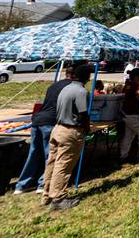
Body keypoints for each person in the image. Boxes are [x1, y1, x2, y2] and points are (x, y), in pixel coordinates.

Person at [14, 65, 74, 195]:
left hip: (38, 120)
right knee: (50, 154)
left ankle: (22, 185)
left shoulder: (53, 86)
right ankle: (42, 183)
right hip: (51, 122)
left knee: (34, 152)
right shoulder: (71, 88)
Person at [41, 64, 92, 210]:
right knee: (63, 165)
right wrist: (87, 127)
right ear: (86, 77)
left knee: (52, 163)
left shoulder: (66, 88)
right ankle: (58, 198)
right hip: (70, 131)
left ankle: (47, 194)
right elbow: (83, 113)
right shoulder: (81, 91)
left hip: (57, 128)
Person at [119, 67, 139, 163]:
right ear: (137, 76)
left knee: (129, 136)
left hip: (126, 113)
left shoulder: (127, 84)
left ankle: (123, 156)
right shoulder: (136, 85)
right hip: (133, 113)